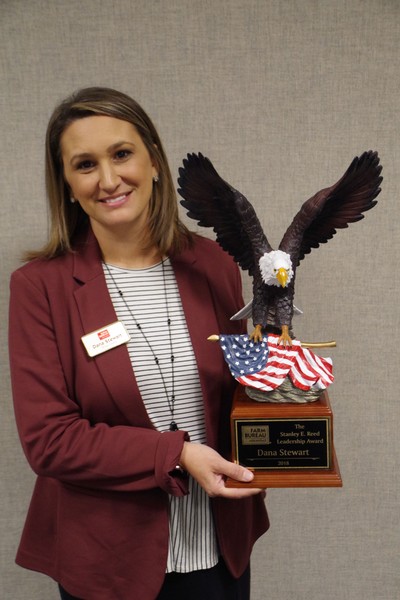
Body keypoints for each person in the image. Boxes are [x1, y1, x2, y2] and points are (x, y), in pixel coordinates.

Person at [8, 87, 269, 600]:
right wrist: (177, 454)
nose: (108, 180)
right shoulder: (40, 287)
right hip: (111, 563)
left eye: (121, 154)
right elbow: (50, 441)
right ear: (66, 183)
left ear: (153, 160)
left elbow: (241, 386)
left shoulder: (213, 264)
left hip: (220, 548)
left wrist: (285, 392)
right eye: (85, 164)